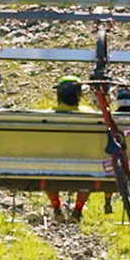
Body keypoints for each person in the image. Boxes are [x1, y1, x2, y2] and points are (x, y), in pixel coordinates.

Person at [48, 74, 93, 223]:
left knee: (46, 173)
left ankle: (56, 207)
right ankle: (78, 209)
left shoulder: (49, 115)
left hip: (54, 164)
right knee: (89, 176)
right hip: (83, 164)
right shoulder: (89, 114)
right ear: (78, 95)